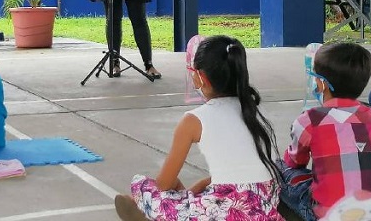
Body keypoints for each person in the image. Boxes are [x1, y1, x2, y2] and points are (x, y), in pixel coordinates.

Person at [115, 35, 284, 220]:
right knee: (201, 192)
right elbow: (240, 173)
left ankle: (165, 213)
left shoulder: (193, 120)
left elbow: (163, 183)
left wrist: (187, 192)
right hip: (264, 204)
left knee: (141, 184)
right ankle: (188, 204)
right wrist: (196, 189)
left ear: (200, 77)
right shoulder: (254, 110)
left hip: (226, 212)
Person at [278, 43, 371, 220]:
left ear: (321, 84)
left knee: (279, 169)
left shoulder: (309, 120)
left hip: (330, 215)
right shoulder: (370, 116)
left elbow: (296, 161)